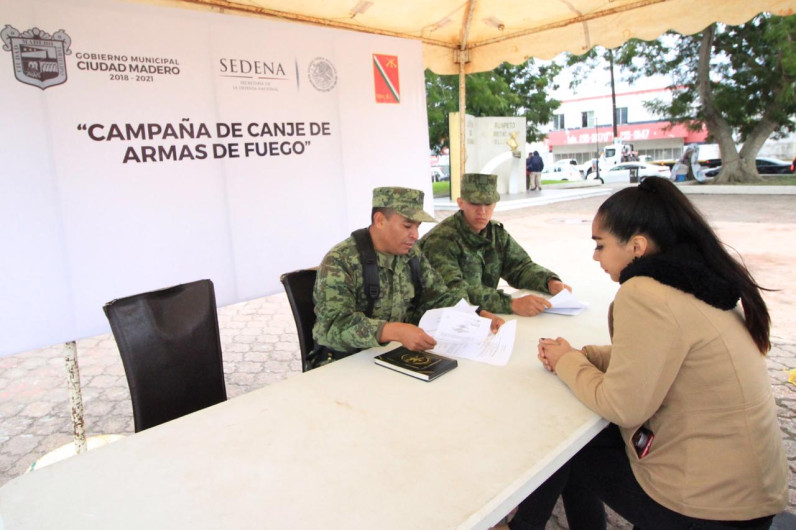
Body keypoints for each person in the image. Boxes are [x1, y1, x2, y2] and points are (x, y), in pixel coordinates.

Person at [508, 177, 787, 529]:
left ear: (636, 246)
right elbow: (659, 358)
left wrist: (567, 361)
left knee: (569, 448)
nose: (595, 257)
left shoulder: (644, 292)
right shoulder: (696, 277)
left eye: (600, 245)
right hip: (748, 490)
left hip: (711, 507)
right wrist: (586, 355)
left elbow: (623, 406)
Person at [311, 186, 504, 367]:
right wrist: (394, 331)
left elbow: (437, 296)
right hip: (344, 363)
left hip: (393, 355)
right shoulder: (341, 260)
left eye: (417, 227)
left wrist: (476, 314)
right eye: (407, 226)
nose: (415, 235)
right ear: (379, 220)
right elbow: (333, 325)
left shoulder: (411, 254)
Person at [418, 173, 570, 317]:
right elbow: (455, 291)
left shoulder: (495, 234)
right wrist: (511, 304)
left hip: (483, 318)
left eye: (488, 204)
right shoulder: (441, 241)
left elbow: (520, 267)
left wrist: (548, 282)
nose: (482, 211)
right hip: (442, 323)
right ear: (461, 203)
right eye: (475, 204)